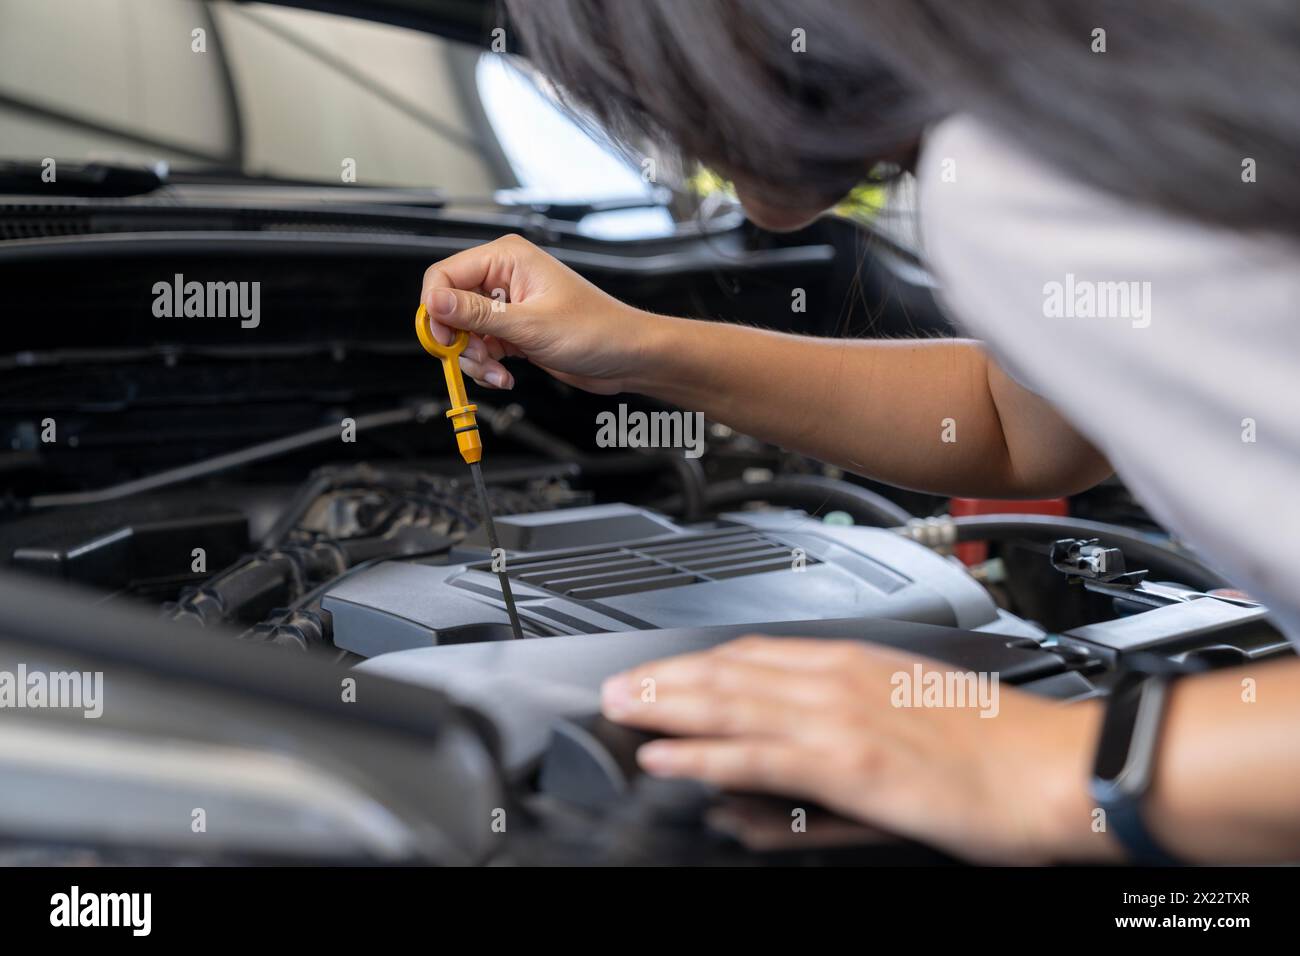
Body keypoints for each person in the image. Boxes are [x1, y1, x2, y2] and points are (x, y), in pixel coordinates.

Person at [417, 0, 1300, 863]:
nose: (656, 134)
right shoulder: (1094, 95)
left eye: (627, 94)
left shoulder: (1015, 177)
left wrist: (1035, 768)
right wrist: (641, 348)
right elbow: (1019, 426)